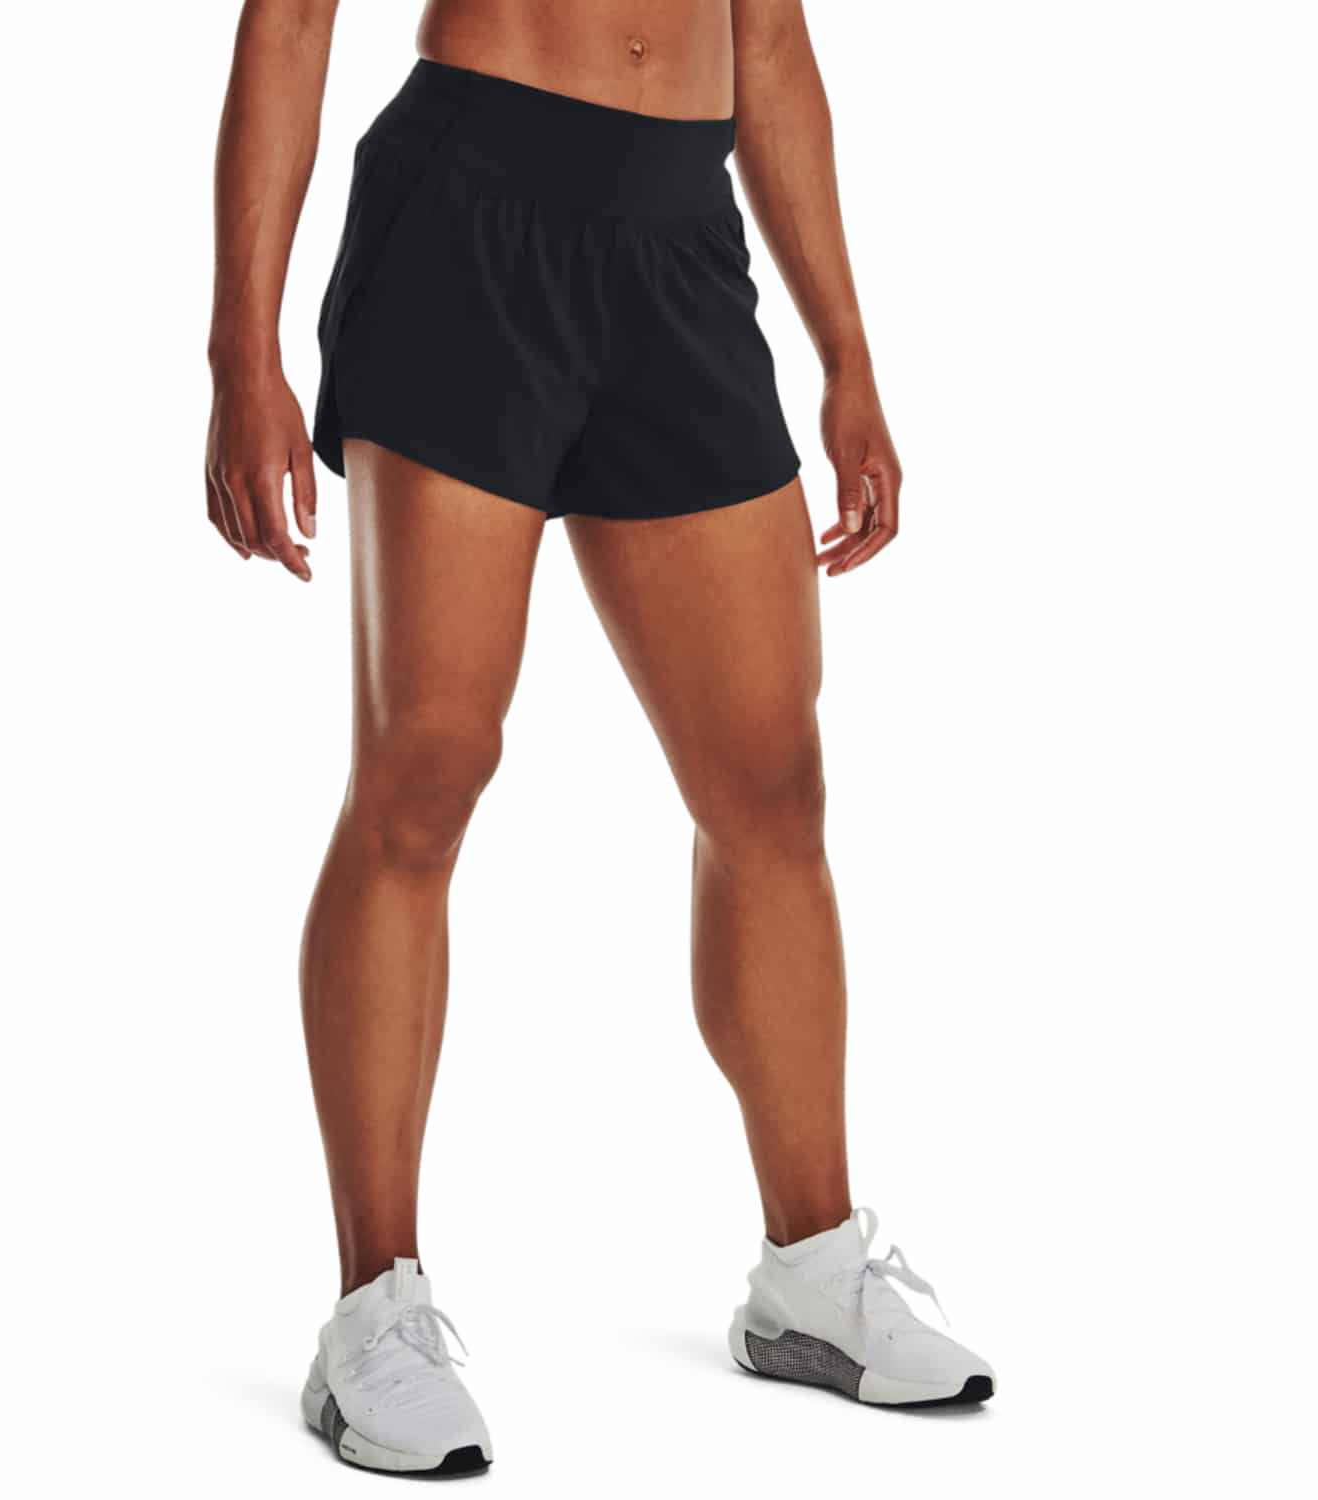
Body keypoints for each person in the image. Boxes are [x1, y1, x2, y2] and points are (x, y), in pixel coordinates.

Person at [206, 0, 994, 1475]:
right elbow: (293, 17)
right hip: (470, 218)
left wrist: (849, 355)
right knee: (425, 775)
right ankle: (374, 1314)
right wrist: (239, 349)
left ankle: (812, 1271)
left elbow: (768, 42)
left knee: (769, 784)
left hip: (678, 238)